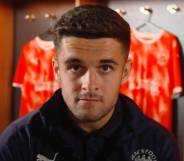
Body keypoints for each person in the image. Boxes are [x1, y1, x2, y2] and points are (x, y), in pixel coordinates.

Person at [0, 4, 180, 161]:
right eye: (75, 67)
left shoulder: (158, 143)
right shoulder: (19, 140)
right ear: (57, 70)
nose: (89, 84)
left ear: (125, 72)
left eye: (105, 68)